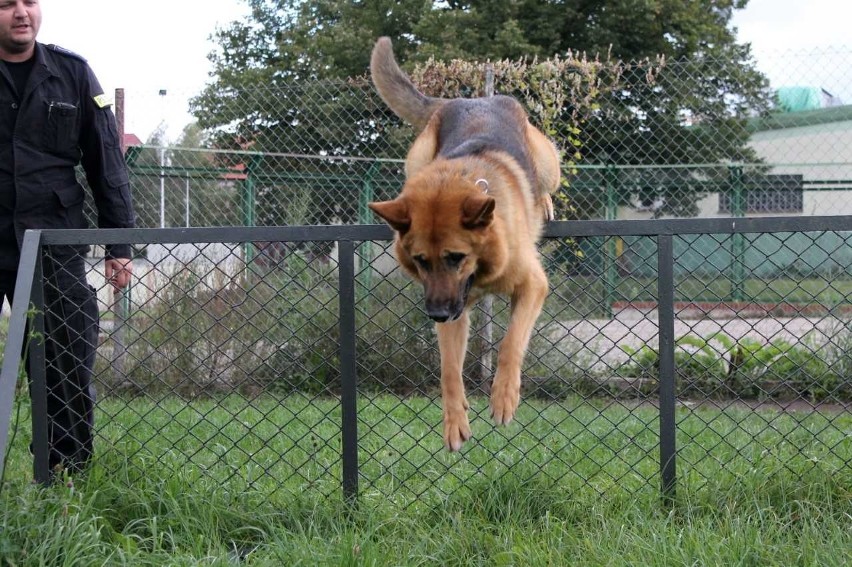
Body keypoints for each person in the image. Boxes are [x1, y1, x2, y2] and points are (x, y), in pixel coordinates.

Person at [0, 0, 135, 474]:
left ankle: (65, 474)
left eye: (29, 2)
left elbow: (105, 162)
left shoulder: (71, 73)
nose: (21, 13)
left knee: (66, 360)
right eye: (5, 4)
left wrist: (119, 245)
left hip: (53, 241)